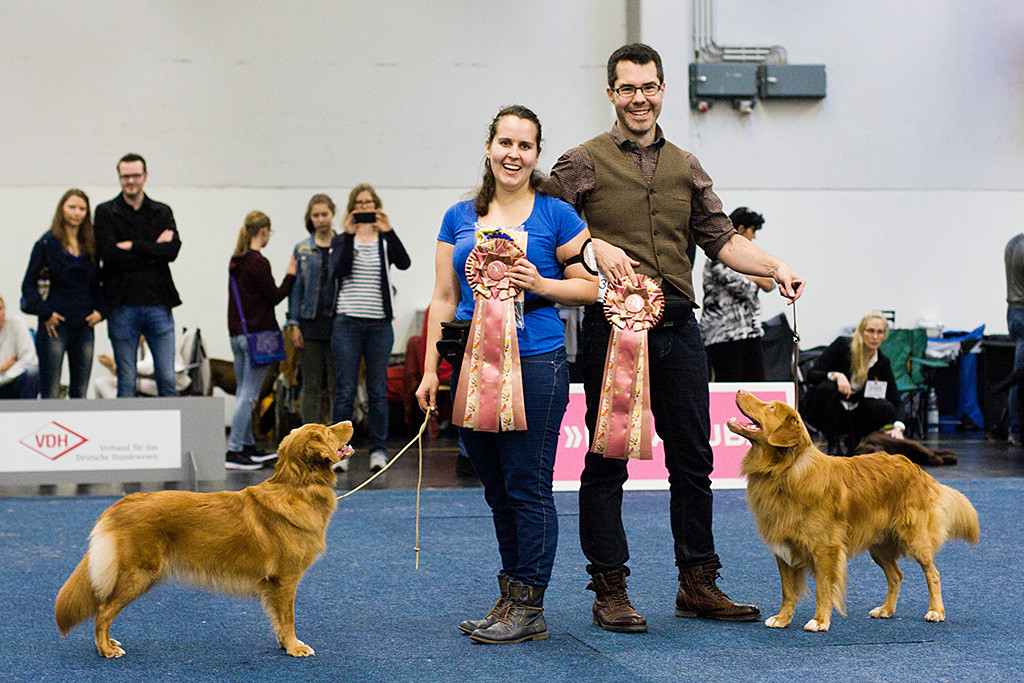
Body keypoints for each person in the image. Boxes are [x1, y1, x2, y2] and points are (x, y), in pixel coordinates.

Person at [548, 43, 804, 632]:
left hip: (681, 331)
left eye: (649, 87)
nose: (640, 98)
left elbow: (721, 240)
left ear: (662, 91)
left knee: (694, 460)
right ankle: (609, 589)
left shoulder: (687, 165)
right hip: (613, 331)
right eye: (628, 88)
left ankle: (698, 583)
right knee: (607, 461)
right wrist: (585, 262)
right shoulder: (578, 163)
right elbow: (551, 235)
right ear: (611, 93)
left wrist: (774, 266)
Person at [416, 105, 598, 644]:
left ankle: (530, 605)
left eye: (525, 145)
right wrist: (430, 370)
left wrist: (539, 282)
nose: (513, 154)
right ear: (488, 148)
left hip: (538, 362)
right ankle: (512, 593)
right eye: (505, 143)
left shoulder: (557, 215)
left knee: (528, 486)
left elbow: (591, 288)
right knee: (496, 488)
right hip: (471, 364)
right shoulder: (456, 217)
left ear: (537, 155)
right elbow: (444, 297)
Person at [330, 184, 411, 472]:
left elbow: (405, 263)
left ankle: (378, 450)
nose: (364, 208)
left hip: (379, 325)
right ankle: (338, 452)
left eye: (369, 203)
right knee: (345, 390)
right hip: (347, 323)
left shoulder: (384, 240)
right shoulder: (342, 240)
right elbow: (338, 270)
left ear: (376, 206)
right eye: (359, 203)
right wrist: (351, 236)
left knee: (377, 390)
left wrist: (389, 231)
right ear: (352, 208)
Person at [94, 153, 182, 397]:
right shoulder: (105, 212)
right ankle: (127, 435)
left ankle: (169, 435)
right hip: (122, 305)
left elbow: (172, 251)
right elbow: (109, 255)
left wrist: (131, 245)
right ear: (119, 177)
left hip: (159, 302)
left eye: (135, 176)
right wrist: (153, 249)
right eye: (125, 176)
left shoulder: (161, 212)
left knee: (167, 378)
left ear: (145, 176)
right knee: (126, 380)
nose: (130, 181)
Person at [227, 211, 297, 470]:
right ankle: (234, 449)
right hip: (257, 336)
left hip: (237, 335)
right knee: (250, 394)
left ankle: (245, 444)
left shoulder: (236, 261)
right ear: (264, 231)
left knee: (242, 392)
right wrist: (290, 275)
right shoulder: (258, 262)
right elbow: (275, 296)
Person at [20, 189, 104, 398]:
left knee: (80, 391)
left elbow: (98, 284)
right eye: (72, 207)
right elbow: (28, 286)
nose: (76, 213)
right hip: (54, 328)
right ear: (62, 209)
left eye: (82, 209)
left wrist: (102, 312)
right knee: (50, 390)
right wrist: (45, 313)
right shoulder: (46, 244)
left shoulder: (91, 246)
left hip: (84, 326)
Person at [801, 311, 900, 455]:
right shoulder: (842, 345)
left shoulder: (882, 362)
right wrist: (835, 376)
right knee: (826, 388)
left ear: (884, 336)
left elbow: (895, 399)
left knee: (882, 406)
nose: (874, 337)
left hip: (856, 413)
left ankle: (856, 441)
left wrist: (898, 427)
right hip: (829, 409)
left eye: (880, 332)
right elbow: (811, 375)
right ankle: (833, 442)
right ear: (861, 331)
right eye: (870, 331)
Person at [700, 207, 775, 382]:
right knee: (730, 388)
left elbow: (769, 283)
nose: (754, 237)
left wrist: (750, 275)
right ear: (740, 229)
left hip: (750, 332)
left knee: (756, 388)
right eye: (752, 231)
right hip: (724, 335)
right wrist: (755, 277)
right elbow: (744, 287)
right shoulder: (716, 256)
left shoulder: (748, 258)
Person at [287, 194, 338, 430]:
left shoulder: (343, 245)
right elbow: (295, 290)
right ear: (310, 218)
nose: (320, 220)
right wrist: (293, 324)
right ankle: (309, 435)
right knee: (311, 385)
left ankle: (337, 434)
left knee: (338, 385)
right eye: (315, 215)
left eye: (324, 214)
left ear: (333, 214)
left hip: (339, 324)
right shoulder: (302, 248)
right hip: (309, 324)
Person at [0, 294, 41, 399]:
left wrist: (6, 375)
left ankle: (27, 414)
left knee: (33, 373)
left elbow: (29, 360)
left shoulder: (16, 323)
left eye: (1, 308)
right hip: (7, 375)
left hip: (12, 380)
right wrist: (1, 368)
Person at [1005, 232, 1024, 446]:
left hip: (1013, 311)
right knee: (1018, 377)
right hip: (1022, 312)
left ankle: (1016, 430)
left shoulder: (1013, 243)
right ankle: (1016, 430)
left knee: (1018, 376)